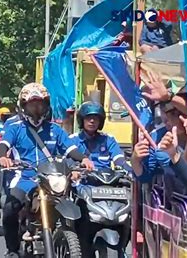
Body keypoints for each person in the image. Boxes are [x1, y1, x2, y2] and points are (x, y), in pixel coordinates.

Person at [0, 83, 94, 257]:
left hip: (51, 179)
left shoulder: (55, 130)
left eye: (40, 103)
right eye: (32, 104)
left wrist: (84, 158)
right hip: (24, 178)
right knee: (10, 208)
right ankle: (12, 249)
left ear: (46, 105)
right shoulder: (16, 128)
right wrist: (3, 157)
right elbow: (2, 145)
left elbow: (70, 149)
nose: (36, 107)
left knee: (80, 206)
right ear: (24, 106)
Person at [69, 101, 133, 257]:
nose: (92, 121)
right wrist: (73, 171)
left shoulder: (108, 139)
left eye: (96, 118)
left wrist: (131, 172)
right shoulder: (73, 139)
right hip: (83, 186)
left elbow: (119, 160)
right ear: (82, 120)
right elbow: (68, 160)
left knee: (129, 209)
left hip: (107, 186)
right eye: (89, 118)